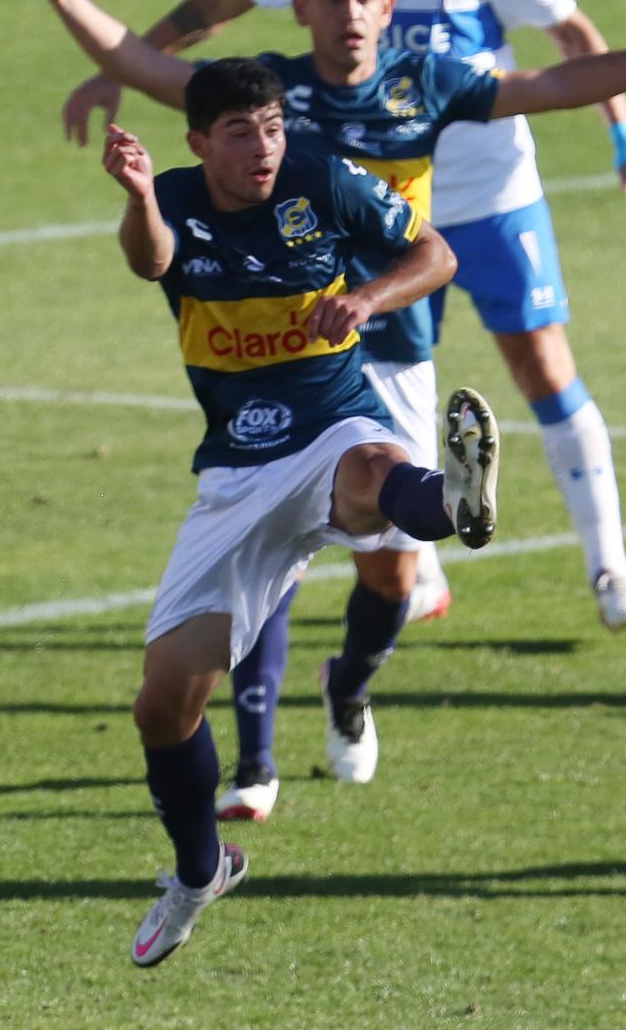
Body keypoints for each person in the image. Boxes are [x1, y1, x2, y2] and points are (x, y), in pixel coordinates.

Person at [19, 0, 626, 820]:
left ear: (387, 7)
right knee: (266, 550)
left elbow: (556, 85)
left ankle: (351, 687)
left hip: (387, 336)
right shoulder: (267, 93)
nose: (349, 13)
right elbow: (142, 61)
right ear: (305, 8)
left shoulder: (423, 84)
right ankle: (253, 763)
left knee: (393, 572)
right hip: (276, 339)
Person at [60, 0, 626, 632]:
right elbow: (216, 4)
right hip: (359, 214)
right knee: (369, 378)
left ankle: (611, 570)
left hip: (488, 190)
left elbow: (567, 40)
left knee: (541, 367)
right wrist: (113, 72)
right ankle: (409, 553)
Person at [101, 57, 503, 965]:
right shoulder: (170, 198)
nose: (264, 148)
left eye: (274, 127)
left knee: (373, 469)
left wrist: (364, 295)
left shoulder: (322, 177)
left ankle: (454, 497)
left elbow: (434, 253)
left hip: (332, 423)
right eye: (241, 132)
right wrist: (135, 194)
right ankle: (199, 870)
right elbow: (150, 260)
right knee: (163, 707)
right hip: (238, 474)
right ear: (200, 140)